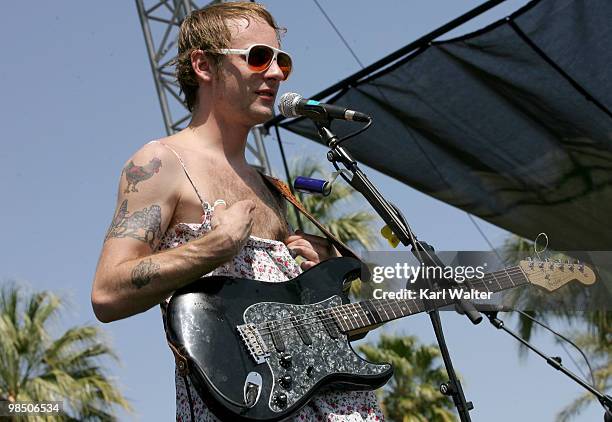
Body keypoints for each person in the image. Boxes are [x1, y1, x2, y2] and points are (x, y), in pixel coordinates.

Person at [91, 2, 383, 421]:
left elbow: (325, 331)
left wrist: (328, 279)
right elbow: (107, 292)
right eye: (259, 57)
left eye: (282, 60)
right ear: (204, 66)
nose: (277, 73)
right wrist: (215, 246)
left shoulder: (270, 187)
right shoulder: (161, 162)